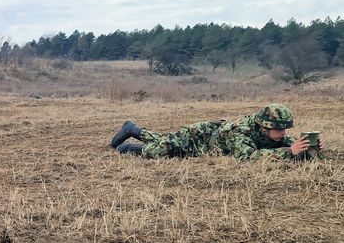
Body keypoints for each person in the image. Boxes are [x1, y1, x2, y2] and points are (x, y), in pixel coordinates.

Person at [109, 103, 325, 160]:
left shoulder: (270, 132)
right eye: (279, 128)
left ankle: (132, 128)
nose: (283, 133)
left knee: (162, 141)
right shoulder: (241, 132)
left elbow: (282, 143)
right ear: (264, 126)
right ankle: (126, 147)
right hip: (198, 137)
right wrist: (290, 152)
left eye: (285, 129)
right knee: (159, 151)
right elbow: (247, 157)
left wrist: (306, 148)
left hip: (208, 144)